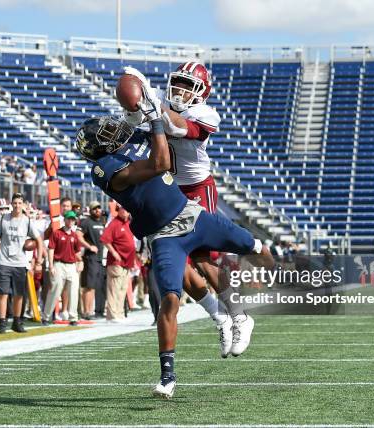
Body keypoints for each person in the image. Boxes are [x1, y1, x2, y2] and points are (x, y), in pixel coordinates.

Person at [74, 88, 273, 398]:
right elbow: (160, 162)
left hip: (192, 214)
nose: (114, 131)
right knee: (170, 300)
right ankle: (168, 376)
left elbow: (161, 128)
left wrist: (145, 106)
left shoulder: (125, 145)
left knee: (255, 246)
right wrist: (154, 119)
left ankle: (273, 292)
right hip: (164, 235)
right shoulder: (104, 170)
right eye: (107, 132)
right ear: (101, 146)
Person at [124, 65, 248, 357]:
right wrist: (131, 100)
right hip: (166, 190)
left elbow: (179, 128)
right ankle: (219, 316)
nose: (179, 90)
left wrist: (152, 108)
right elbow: (130, 112)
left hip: (195, 188)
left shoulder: (206, 114)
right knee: (177, 266)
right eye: (177, 84)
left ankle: (241, 316)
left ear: (201, 92)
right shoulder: (157, 97)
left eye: (187, 85)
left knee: (203, 260)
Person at [0, 193, 44, 334]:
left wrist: (38, 260)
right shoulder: (4, 219)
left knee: (18, 294)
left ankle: (16, 321)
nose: (17, 206)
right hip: (4, 261)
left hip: (20, 262)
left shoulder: (27, 221)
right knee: (3, 293)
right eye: (14, 203)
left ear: (23, 205)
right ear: (11, 204)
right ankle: (2, 322)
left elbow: (38, 240)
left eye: (20, 203)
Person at [43, 210, 82, 326]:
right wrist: (50, 265)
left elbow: (77, 252)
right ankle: (46, 316)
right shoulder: (57, 233)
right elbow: (51, 249)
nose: (71, 221)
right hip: (59, 264)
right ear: (64, 220)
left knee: (74, 291)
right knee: (55, 290)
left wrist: (81, 262)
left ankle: (73, 317)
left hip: (72, 265)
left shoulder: (74, 235)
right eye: (69, 219)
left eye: (73, 219)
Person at [100, 204, 135, 322]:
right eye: (122, 209)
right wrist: (114, 253)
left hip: (127, 262)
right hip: (117, 261)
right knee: (113, 289)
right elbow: (105, 239)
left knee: (122, 289)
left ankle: (119, 313)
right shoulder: (114, 223)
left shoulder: (128, 223)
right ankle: (111, 315)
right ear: (118, 210)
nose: (125, 211)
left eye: (126, 209)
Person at [79, 200, 106, 319]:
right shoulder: (86, 222)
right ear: (90, 210)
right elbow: (78, 236)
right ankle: (86, 312)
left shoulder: (101, 222)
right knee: (89, 286)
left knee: (95, 286)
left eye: (99, 208)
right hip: (91, 258)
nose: (97, 210)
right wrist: (89, 246)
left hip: (100, 258)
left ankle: (91, 310)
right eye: (95, 208)